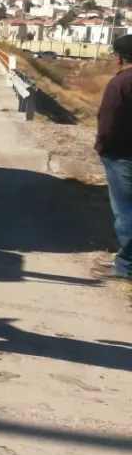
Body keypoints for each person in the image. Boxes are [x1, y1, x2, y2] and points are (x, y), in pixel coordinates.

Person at [95, 34, 132, 281]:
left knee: (126, 212)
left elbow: (107, 121)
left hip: (121, 155)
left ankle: (126, 266)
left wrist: (102, 146)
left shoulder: (120, 84)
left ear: (119, 57)